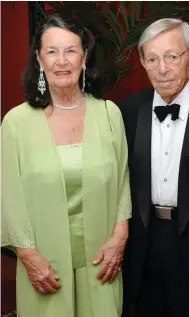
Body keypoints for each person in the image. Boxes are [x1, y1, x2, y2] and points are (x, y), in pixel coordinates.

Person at [1, 14, 132, 317]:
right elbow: (9, 198)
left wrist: (120, 236)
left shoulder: (110, 114)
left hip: (102, 263)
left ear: (84, 58)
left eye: (71, 50)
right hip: (45, 265)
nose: (62, 61)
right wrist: (28, 256)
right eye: (52, 51)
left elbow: (123, 180)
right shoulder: (16, 123)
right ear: (39, 58)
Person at [120, 18, 189, 317]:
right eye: (152, 59)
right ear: (142, 62)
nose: (162, 68)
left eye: (171, 57)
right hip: (144, 250)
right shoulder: (128, 111)